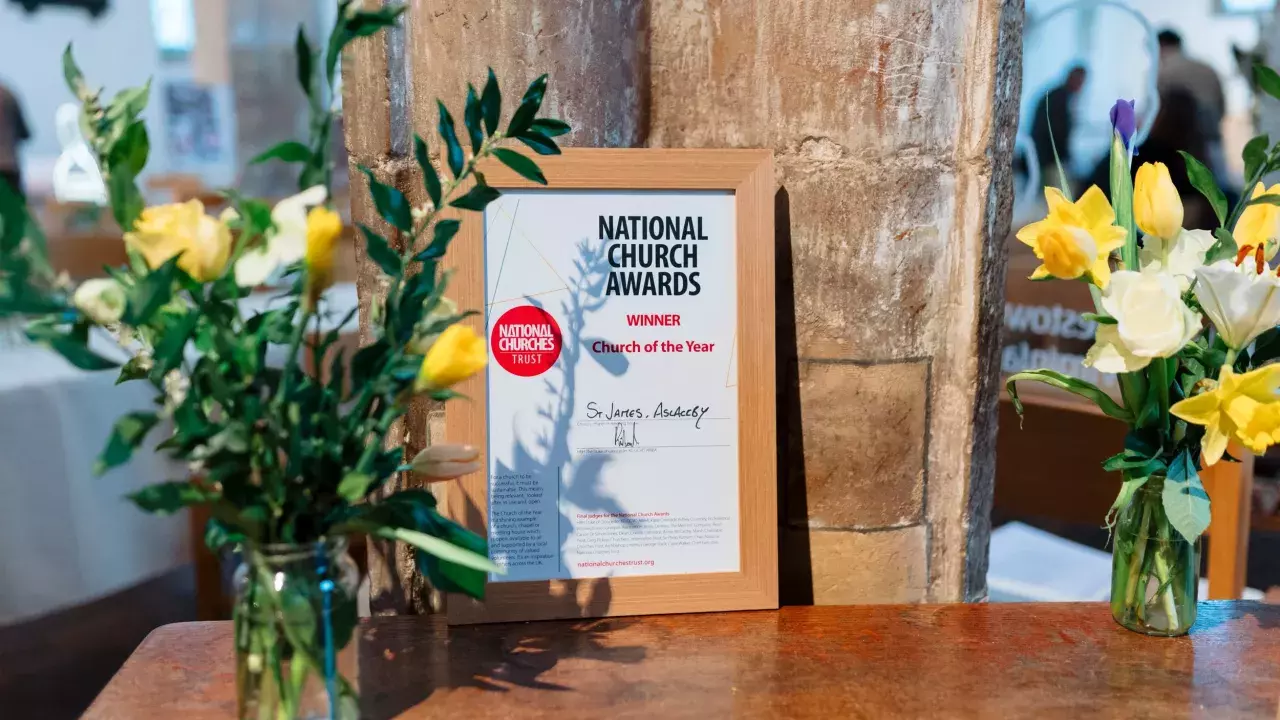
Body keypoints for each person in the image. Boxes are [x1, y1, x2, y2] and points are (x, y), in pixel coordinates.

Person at [1157, 29, 1227, 181]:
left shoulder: (1164, 72)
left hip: (1181, 150)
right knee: (1219, 187)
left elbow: (1159, 116)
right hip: (1212, 139)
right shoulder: (1207, 68)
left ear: (1160, 46)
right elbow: (1222, 106)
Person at [1029, 65, 1087, 184]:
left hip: (1045, 157)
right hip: (1048, 159)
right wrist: (1067, 159)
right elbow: (1058, 133)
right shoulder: (1060, 99)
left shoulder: (1057, 95)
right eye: (1081, 82)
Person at [0, 80, 30, 196]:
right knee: (13, 206)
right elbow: (25, 133)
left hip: (9, 169)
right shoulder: (9, 95)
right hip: (10, 167)